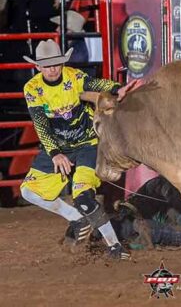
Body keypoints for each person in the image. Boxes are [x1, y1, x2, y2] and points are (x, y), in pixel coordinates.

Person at [20, 39, 137, 260]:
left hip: (86, 144)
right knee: (29, 191)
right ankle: (76, 218)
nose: (53, 69)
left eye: (56, 64)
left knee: (83, 196)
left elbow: (95, 84)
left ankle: (114, 246)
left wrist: (117, 88)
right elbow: (40, 123)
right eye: (47, 65)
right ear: (38, 67)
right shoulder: (33, 88)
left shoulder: (74, 77)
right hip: (57, 146)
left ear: (62, 64)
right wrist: (55, 153)